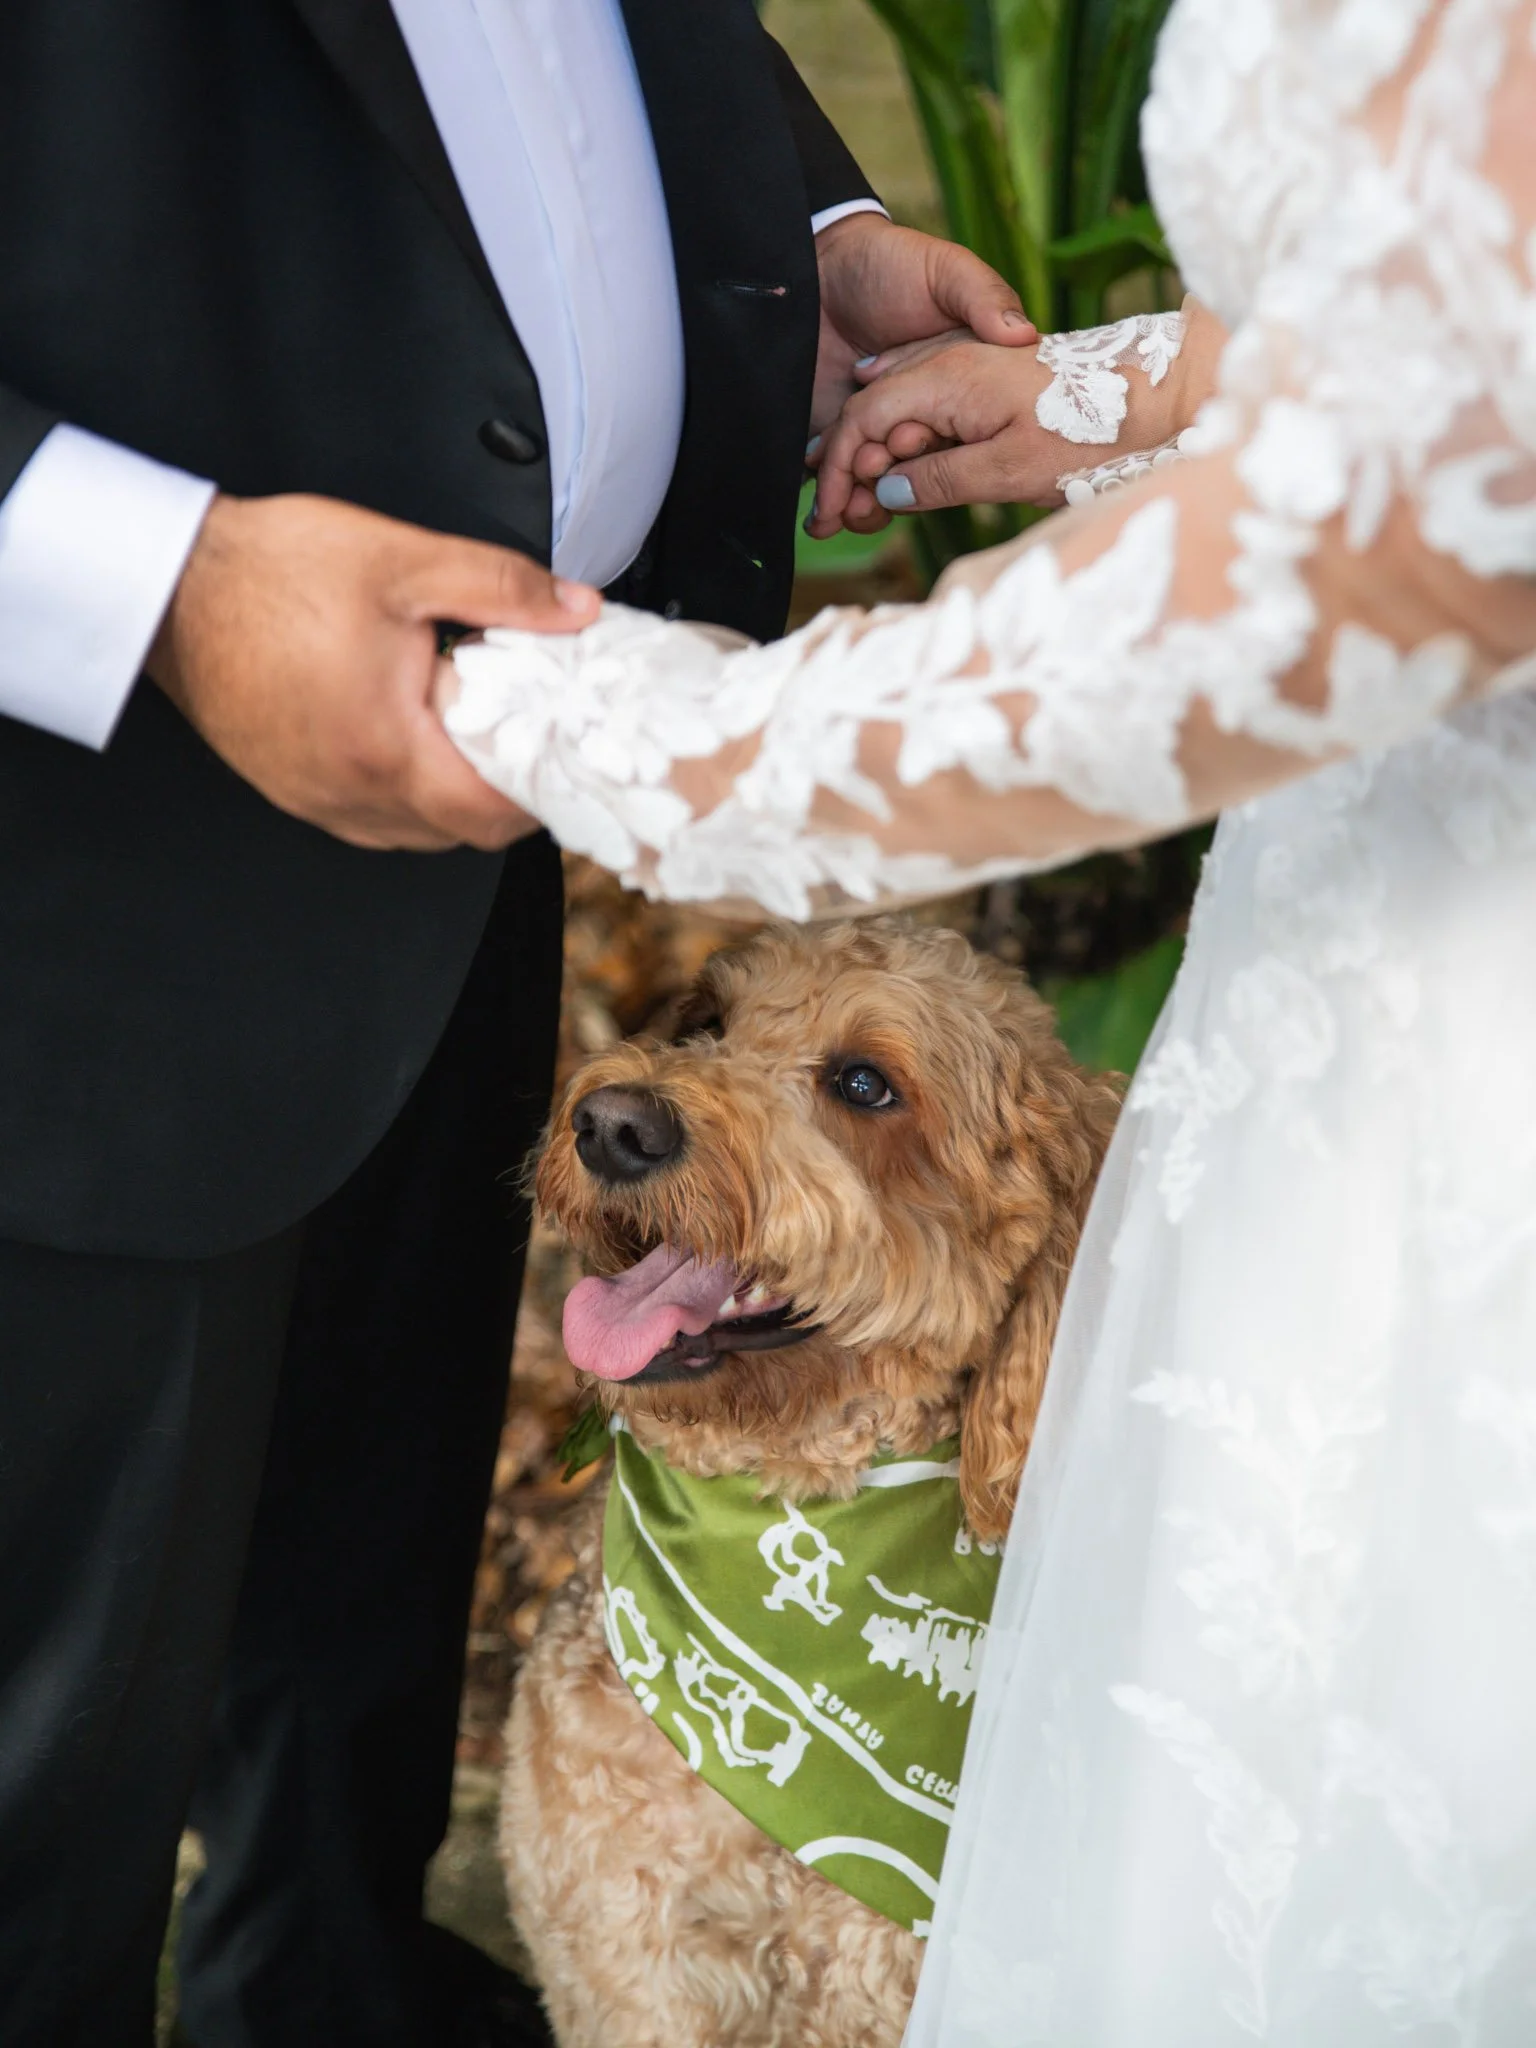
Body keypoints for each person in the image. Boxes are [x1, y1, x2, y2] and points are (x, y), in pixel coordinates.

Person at [438, 1, 1536, 2040]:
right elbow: (1405, 311)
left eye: (853, 1088)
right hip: (1327, 968)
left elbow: (1370, 541)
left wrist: (586, 721)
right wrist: (1094, 401)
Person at [0, 6, 1038, 2043]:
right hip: (73, 891)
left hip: (454, 834)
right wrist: (162, 584)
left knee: (351, 1629)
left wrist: (780, 223)